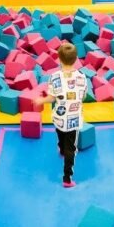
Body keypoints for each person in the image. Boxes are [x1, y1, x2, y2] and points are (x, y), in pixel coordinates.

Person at [34, 43, 88, 188]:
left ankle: (62, 149)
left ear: (59, 60)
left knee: (60, 133)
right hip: (74, 119)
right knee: (71, 148)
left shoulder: (54, 77)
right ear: (76, 59)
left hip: (59, 116)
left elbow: (51, 98)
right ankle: (67, 179)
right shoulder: (82, 77)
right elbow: (83, 97)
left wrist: (41, 100)